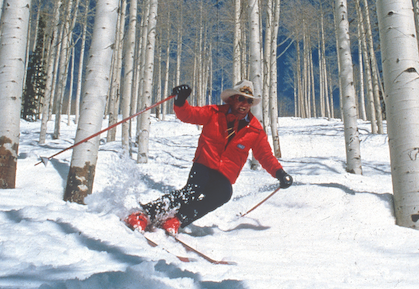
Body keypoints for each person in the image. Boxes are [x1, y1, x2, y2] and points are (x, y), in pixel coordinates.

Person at [124, 80, 293, 235]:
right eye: (241, 99)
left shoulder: (255, 129)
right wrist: (181, 101)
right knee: (192, 191)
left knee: (223, 193)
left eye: (249, 101)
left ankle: (176, 220)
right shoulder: (214, 113)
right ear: (232, 99)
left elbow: (265, 155)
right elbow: (188, 115)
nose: (244, 104)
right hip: (204, 164)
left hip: (225, 173)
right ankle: (144, 214)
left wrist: (279, 173)